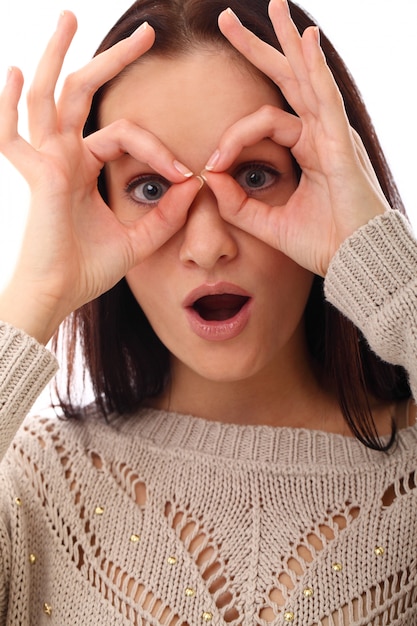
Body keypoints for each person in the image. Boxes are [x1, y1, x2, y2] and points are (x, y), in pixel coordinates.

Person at [0, 0, 416, 623]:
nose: (206, 245)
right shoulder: (33, 487)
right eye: (149, 188)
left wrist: (383, 267)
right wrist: (34, 294)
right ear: (98, 206)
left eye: (253, 175)